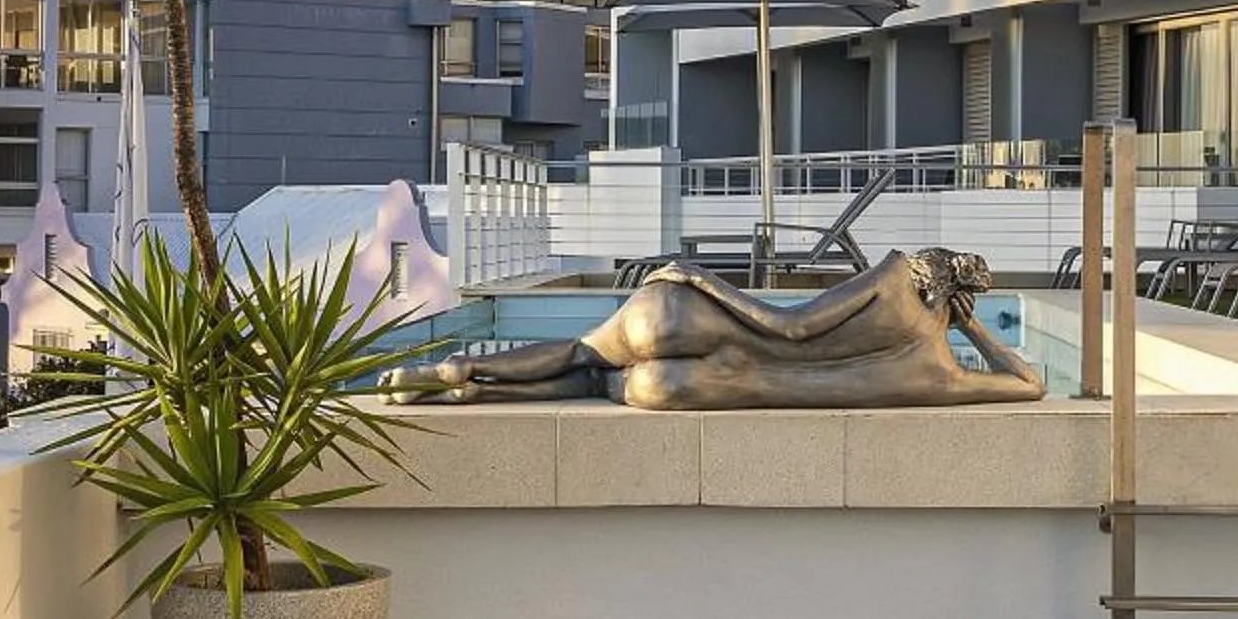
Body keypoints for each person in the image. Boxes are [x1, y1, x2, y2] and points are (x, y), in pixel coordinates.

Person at [379, 247, 1044, 410]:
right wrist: (975, 333)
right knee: (589, 380)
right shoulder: (941, 371)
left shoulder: (893, 278)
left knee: (583, 349)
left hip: (682, 315)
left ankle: (458, 370)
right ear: (961, 302)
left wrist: (701, 279)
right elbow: (1032, 385)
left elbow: (789, 327)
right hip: (689, 387)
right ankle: (477, 393)